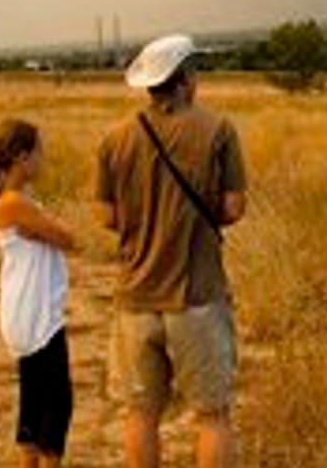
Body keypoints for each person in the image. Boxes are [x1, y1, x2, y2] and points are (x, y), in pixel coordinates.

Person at [93, 34, 248, 468]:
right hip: (196, 296)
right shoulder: (217, 129)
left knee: (140, 413)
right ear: (185, 79)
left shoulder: (114, 137)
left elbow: (105, 216)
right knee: (213, 416)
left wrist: (145, 220)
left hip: (135, 299)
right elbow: (234, 208)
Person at [0, 118, 76, 468]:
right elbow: (68, 238)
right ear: (21, 157)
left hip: (27, 310)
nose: (44, 158)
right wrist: (51, 227)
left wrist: (47, 228)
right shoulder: (14, 204)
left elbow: (55, 235)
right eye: (39, 151)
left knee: (34, 403)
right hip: (36, 315)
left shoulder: (17, 202)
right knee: (55, 404)